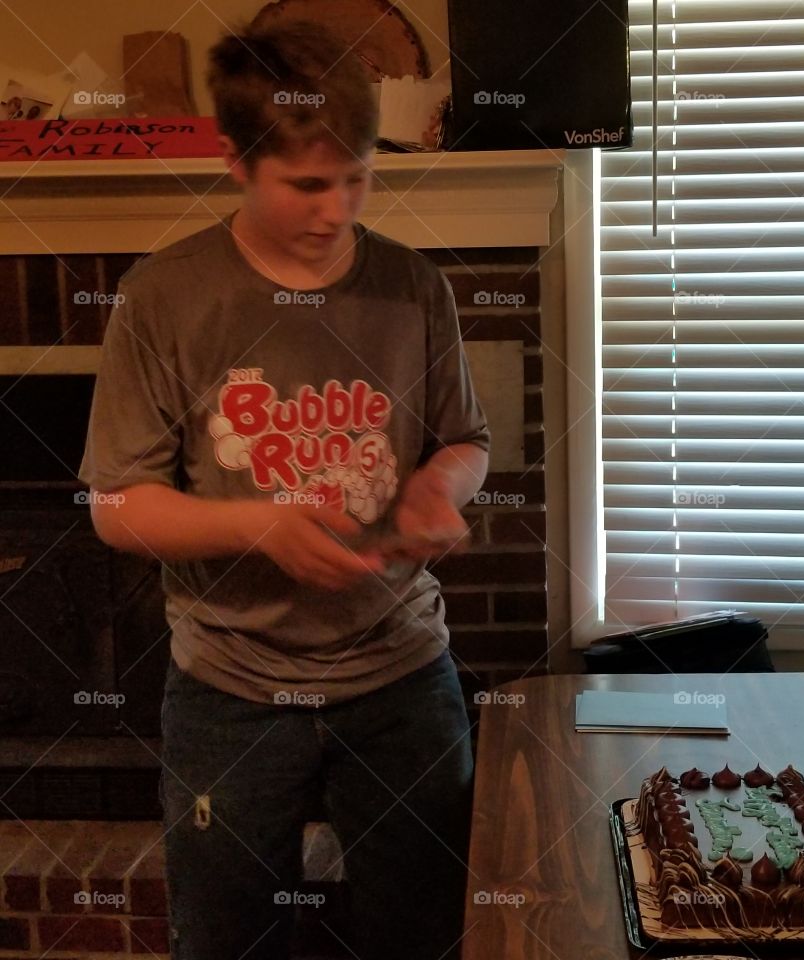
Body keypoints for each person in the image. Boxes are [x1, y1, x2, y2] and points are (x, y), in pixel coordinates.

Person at [79, 18, 489, 960]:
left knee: (425, 934)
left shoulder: (415, 288)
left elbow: (465, 439)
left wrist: (437, 488)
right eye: (306, 184)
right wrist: (260, 525)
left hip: (402, 675)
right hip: (230, 688)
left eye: (357, 177)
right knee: (224, 943)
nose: (337, 208)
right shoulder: (163, 299)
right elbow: (114, 506)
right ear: (237, 163)